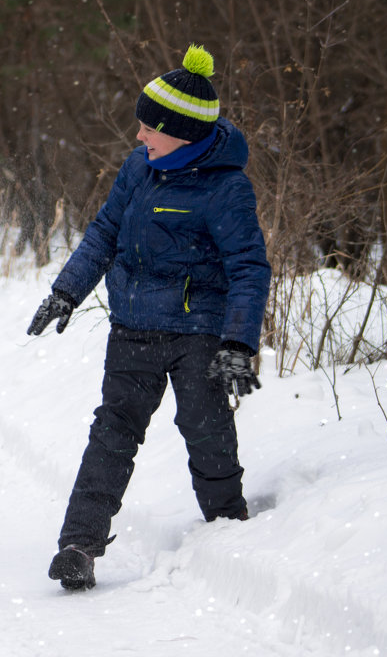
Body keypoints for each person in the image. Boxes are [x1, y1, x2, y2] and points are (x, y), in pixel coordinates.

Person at [27, 44, 270, 591]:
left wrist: (238, 343)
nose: (139, 136)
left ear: (183, 134)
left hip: (198, 332)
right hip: (133, 324)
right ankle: (78, 546)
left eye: (148, 128)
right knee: (112, 431)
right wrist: (67, 290)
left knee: (204, 429)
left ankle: (230, 526)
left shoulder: (227, 188)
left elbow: (249, 268)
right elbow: (104, 231)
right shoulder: (140, 167)